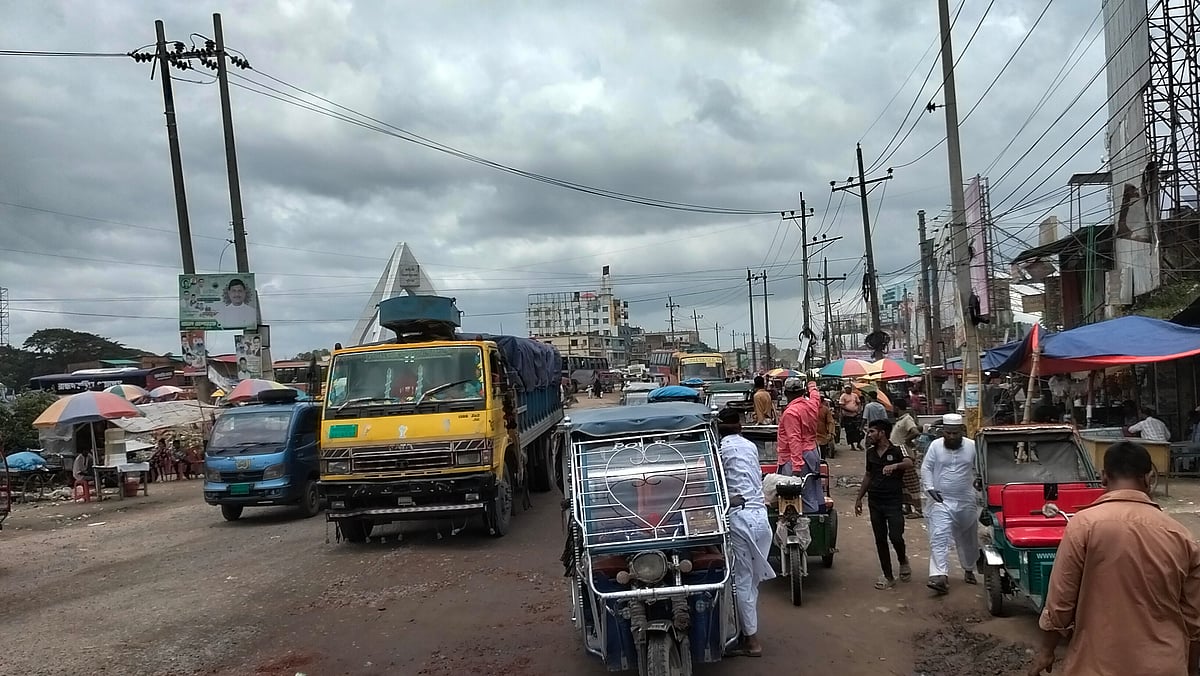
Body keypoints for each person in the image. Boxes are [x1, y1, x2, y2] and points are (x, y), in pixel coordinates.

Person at [1027, 441, 1200, 676]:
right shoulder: (1181, 535)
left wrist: (1046, 650)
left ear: (1103, 477)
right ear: (1149, 478)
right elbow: (1194, 620)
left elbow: (1060, 602)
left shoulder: (1084, 525)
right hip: (1164, 664)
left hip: (1097, 664)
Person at [716, 407, 775, 658]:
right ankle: (743, 631)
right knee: (750, 583)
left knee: (741, 581)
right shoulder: (750, 446)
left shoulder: (719, 450)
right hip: (760, 518)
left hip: (740, 519)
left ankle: (751, 641)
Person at [920, 413, 979, 594]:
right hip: (941, 500)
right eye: (948, 433)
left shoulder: (972, 447)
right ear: (943, 432)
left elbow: (980, 469)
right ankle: (939, 576)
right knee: (939, 536)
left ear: (961, 431)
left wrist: (980, 484)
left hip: (966, 500)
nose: (951, 437)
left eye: (955, 433)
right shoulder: (935, 446)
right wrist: (929, 487)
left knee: (968, 538)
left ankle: (969, 568)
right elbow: (926, 467)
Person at [855, 418, 914, 589]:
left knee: (895, 536)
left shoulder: (897, 450)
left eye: (872, 431)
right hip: (875, 501)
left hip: (893, 501)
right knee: (880, 539)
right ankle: (888, 576)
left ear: (882, 433)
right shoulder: (870, 453)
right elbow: (868, 475)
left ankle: (903, 559)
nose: (869, 434)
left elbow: (910, 462)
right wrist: (859, 498)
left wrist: (895, 466)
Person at [777, 377, 824, 514]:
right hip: (813, 452)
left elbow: (794, 439)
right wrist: (812, 385)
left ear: (786, 394)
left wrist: (796, 466)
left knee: (799, 495)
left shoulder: (791, 413)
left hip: (797, 456)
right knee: (814, 489)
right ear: (803, 391)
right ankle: (818, 514)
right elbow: (816, 397)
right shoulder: (811, 405)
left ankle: (806, 524)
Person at [890, 399, 924, 518]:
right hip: (899, 454)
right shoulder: (900, 420)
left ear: (897, 408)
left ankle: (918, 510)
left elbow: (915, 432)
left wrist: (906, 440)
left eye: (893, 407)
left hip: (905, 454)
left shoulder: (906, 419)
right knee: (903, 483)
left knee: (910, 482)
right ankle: (908, 507)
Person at [838, 385, 864, 450]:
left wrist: (859, 410)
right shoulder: (843, 396)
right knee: (849, 432)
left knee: (859, 431)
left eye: (849, 388)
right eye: (846, 389)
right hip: (847, 416)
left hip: (855, 416)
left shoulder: (854, 395)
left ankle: (858, 444)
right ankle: (852, 445)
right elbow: (841, 405)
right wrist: (850, 410)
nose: (848, 390)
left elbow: (859, 403)